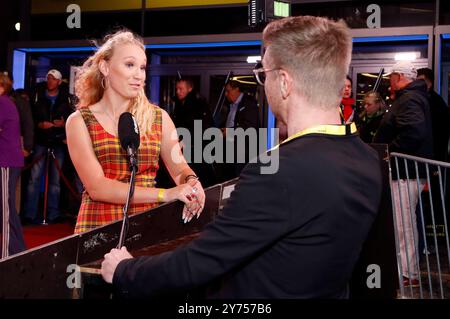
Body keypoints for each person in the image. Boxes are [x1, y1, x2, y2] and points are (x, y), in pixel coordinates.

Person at [101, 16, 382, 299]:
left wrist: (126, 270)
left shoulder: (277, 172)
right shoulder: (368, 160)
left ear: (284, 82)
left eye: (265, 73)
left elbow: (199, 264)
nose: (264, 83)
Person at [65, 30, 205, 234]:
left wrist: (192, 182)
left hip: (147, 225)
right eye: (130, 65)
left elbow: (179, 168)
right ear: (105, 67)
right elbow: (97, 187)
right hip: (98, 228)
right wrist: (164, 195)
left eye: (142, 67)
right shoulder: (80, 121)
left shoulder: (159, 118)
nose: (138, 75)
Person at [374, 61, 433, 288]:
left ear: (399, 77)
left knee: (403, 225)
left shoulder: (409, 99)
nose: (390, 81)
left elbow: (414, 132)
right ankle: (406, 271)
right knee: (403, 224)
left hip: (405, 172)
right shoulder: (413, 97)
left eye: (392, 77)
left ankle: (408, 273)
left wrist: (390, 151)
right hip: (406, 172)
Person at [22, 69, 74, 224]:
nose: (50, 81)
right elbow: (30, 118)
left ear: (59, 81)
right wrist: (40, 125)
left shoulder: (66, 99)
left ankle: (53, 214)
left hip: (57, 141)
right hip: (41, 141)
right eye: (48, 78)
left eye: (53, 79)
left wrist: (63, 125)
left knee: (55, 181)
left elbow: (72, 119)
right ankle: (30, 214)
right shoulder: (37, 96)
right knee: (34, 178)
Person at [172, 78, 216, 187]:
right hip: (185, 149)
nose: (178, 92)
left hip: (197, 151)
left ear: (190, 89)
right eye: (177, 89)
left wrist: (185, 141)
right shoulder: (180, 104)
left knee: (197, 179)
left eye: (181, 89)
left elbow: (202, 128)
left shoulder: (198, 105)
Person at [0, 74, 26, 258]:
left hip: (6, 160)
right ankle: (16, 249)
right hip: (7, 160)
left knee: (5, 209)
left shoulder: (3, 103)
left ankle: (9, 253)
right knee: (6, 207)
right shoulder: (6, 102)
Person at [217, 80, 260, 180]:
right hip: (230, 147)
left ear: (236, 89)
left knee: (239, 178)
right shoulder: (231, 105)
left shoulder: (248, 103)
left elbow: (250, 127)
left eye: (228, 91)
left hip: (243, 149)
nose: (226, 94)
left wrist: (230, 132)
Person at [417, 68, 450, 162]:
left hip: (432, 156)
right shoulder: (426, 99)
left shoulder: (435, 103)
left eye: (419, 81)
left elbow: (438, 133)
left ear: (429, 83)